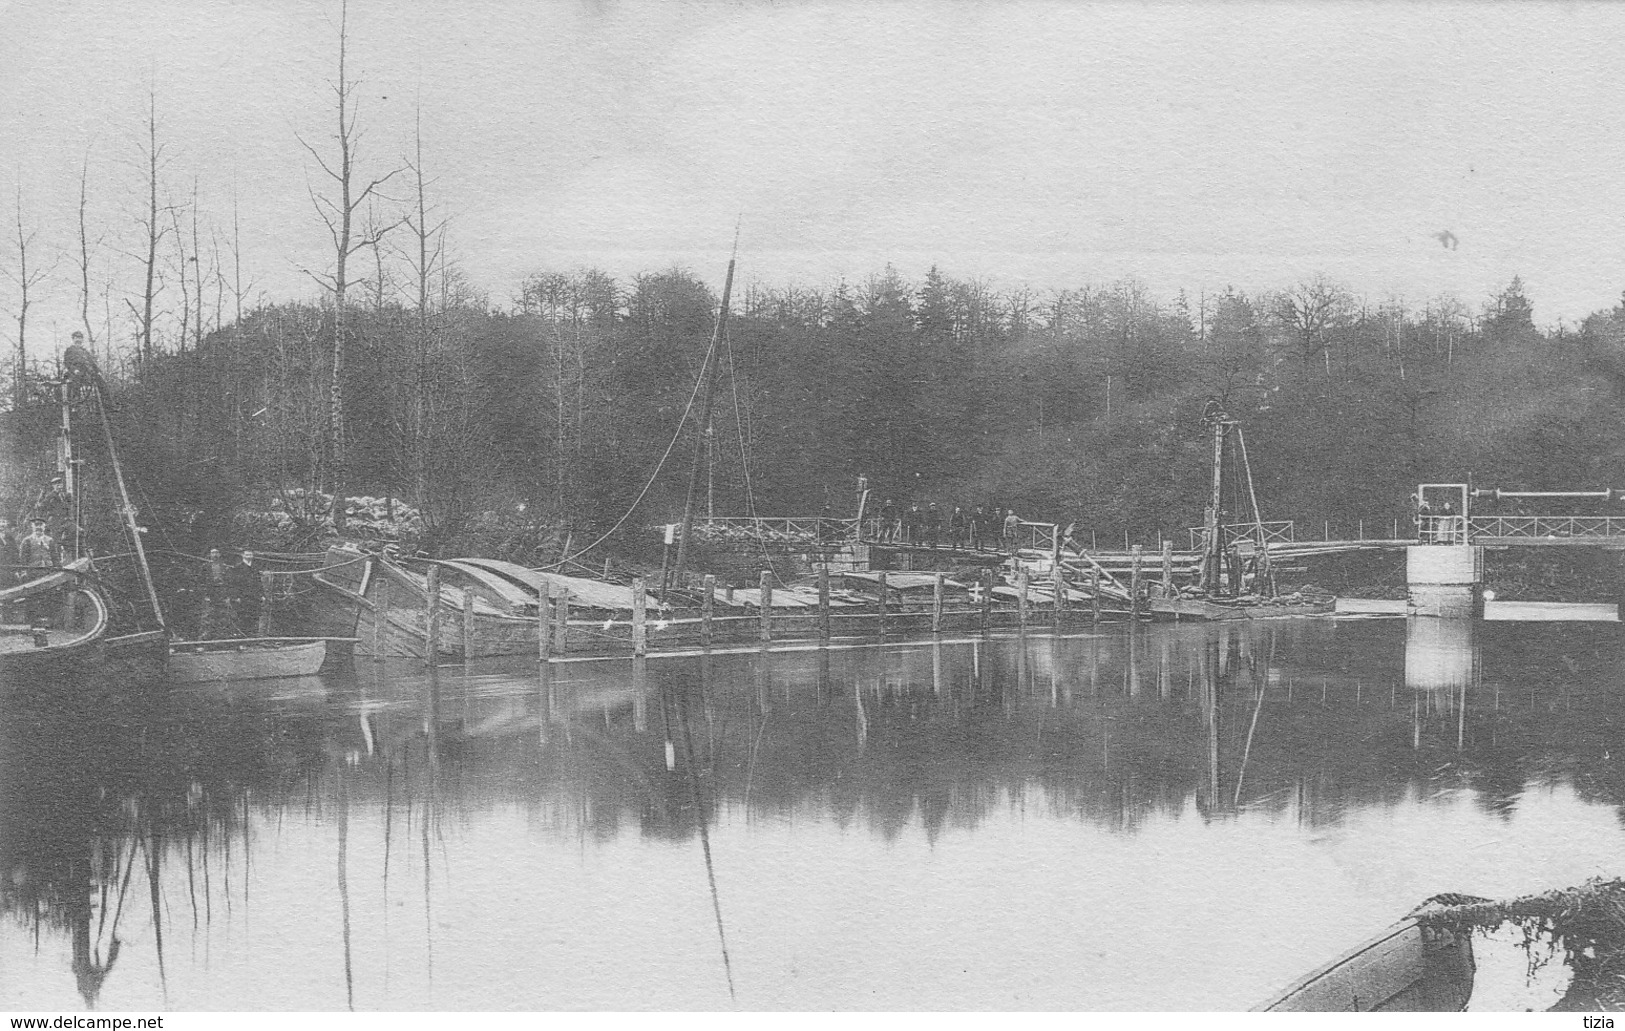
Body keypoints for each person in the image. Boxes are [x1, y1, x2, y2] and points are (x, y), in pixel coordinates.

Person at [228, 550, 263, 635]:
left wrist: (262, 595)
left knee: (254, 615)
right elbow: (234, 583)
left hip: (254, 596)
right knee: (243, 616)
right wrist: (236, 596)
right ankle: (243, 637)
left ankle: (253, 636)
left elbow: (259, 582)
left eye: (250, 555)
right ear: (243, 556)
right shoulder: (237, 568)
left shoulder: (255, 568)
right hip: (243, 597)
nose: (249, 556)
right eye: (247, 555)